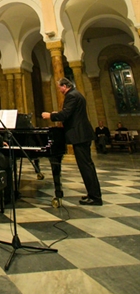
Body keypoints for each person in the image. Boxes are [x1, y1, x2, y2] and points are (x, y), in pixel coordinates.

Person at [42, 77, 102, 206]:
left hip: (80, 135)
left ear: (64, 86)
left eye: (60, 88)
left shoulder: (71, 96)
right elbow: (70, 114)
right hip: (82, 134)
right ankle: (92, 194)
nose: (60, 91)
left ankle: (95, 197)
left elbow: (65, 114)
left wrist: (50, 116)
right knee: (87, 166)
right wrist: (58, 114)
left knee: (86, 167)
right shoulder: (76, 94)